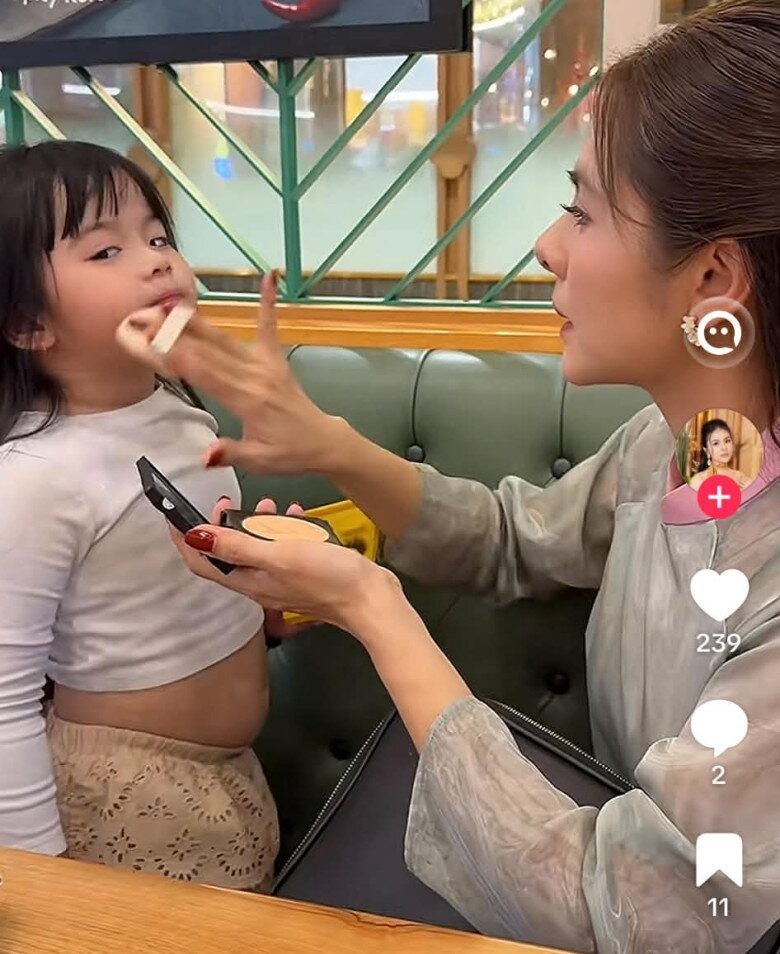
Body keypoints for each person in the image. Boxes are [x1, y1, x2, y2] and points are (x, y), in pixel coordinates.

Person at [119, 1, 780, 950]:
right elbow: (513, 540)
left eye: (584, 211)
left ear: (713, 279)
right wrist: (331, 443)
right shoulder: (683, 447)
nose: (549, 246)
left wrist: (370, 605)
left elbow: (621, 910)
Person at [0, 141, 279, 891]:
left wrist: (267, 597)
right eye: (107, 250)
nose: (157, 262)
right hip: (119, 793)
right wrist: (41, 879)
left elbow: (172, 592)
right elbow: (3, 700)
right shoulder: (33, 477)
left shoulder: (183, 415)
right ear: (27, 323)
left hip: (233, 776)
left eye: (158, 238)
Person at [689, 418, 752, 491]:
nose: (724, 447)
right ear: (707, 451)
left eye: (727, 441)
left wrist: (751, 489)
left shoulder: (741, 477)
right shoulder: (698, 480)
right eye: (716, 443)